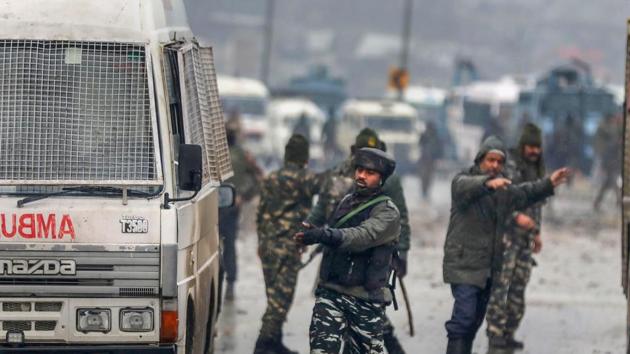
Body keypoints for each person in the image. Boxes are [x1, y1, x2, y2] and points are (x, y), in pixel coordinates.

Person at [442, 136, 570, 354]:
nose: (494, 166)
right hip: (464, 266)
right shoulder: (463, 181)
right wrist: (486, 183)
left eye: (499, 162)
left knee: (472, 323)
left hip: (489, 269)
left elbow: (524, 193)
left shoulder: (503, 190)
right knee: (462, 320)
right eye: (490, 160)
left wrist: (549, 183)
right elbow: (464, 187)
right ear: (480, 160)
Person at [306, 128, 411, 354]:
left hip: (366, 299)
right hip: (332, 292)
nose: (362, 176)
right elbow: (320, 213)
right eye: (360, 170)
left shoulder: (388, 212)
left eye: (370, 173)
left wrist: (403, 253)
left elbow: (360, 237)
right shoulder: (344, 201)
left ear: (381, 179)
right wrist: (306, 234)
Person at [254, 134, 322, 354]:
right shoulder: (306, 179)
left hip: (268, 247)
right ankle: (262, 346)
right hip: (288, 247)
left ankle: (275, 342)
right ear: (305, 157)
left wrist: (260, 242)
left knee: (273, 295)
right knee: (281, 301)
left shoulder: (270, 178)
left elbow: (260, 212)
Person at [485, 123, 546, 349]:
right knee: (501, 286)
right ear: (523, 146)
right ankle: (495, 332)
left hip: (525, 239)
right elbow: (500, 200)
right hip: (506, 237)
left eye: (537, 147)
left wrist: (536, 233)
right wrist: (516, 217)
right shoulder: (509, 166)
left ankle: (509, 331)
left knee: (519, 287)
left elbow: (537, 205)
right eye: (530, 146)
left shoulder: (537, 168)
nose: (534, 151)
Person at [220, 113, 263, 301]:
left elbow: (257, 179)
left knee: (228, 245)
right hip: (211, 206)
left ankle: (230, 283)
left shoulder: (242, 155)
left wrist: (242, 196)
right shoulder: (214, 153)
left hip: (229, 208)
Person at [593, 112, 622, 211]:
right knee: (613, 180)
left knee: (607, 183)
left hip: (612, 159)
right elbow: (607, 148)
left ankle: (597, 202)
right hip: (610, 160)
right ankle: (619, 201)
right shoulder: (607, 130)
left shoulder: (614, 129)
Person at [418, 121, 443, 200]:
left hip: (431, 160)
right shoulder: (424, 135)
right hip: (425, 159)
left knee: (428, 176)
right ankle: (424, 191)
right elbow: (420, 145)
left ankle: (426, 191)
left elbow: (439, 148)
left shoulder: (435, 137)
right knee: (424, 176)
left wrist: (438, 157)